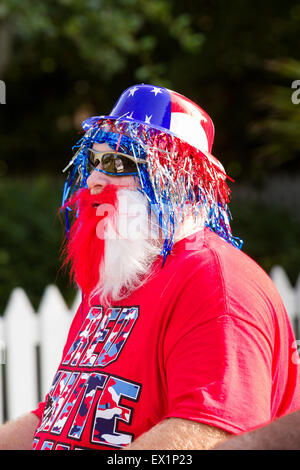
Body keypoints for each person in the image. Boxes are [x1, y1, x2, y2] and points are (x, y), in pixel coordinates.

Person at [0, 84, 300, 451]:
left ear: (180, 180)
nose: (94, 179)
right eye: (93, 161)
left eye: (118, 163)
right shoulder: (115, 280)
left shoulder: (217, 283)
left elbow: (208, 435)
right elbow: (60, 417)